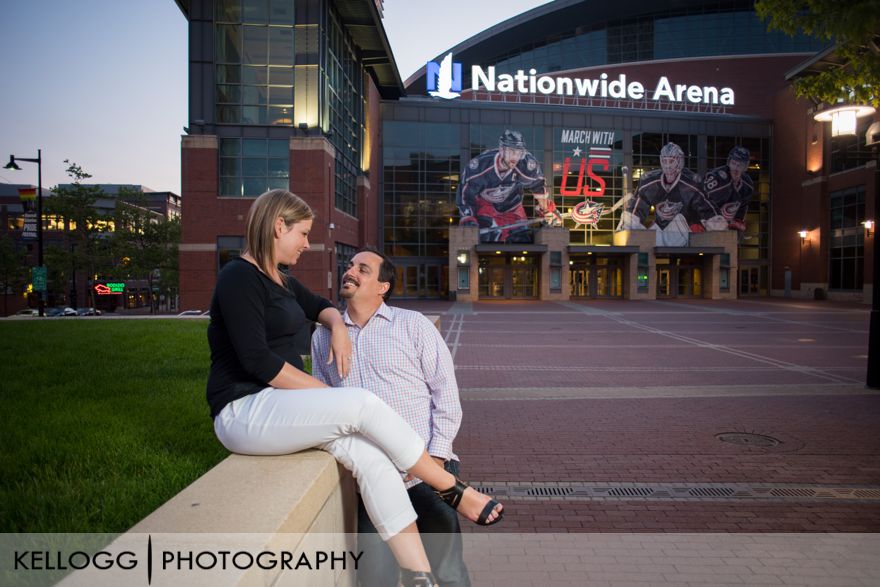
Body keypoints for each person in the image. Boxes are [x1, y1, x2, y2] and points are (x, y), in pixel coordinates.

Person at [206, 190, 503, 587]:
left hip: (290, 411)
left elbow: (320, 307)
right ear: (279, 227)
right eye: (304, 234)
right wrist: (334, 389)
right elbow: (259, 361)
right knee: (361, 405)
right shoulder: (237, 277)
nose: (307, 244)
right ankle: (451, 488)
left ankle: (419, 577)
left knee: (371, 459)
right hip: (245, 407)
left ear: (383, 286)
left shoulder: (281, 280)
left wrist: (337, 328)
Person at [312, 248, 469, 587]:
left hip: (427, 473)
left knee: (449, 574)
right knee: (373, 579)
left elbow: (446, 394)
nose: (350, 271)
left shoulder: (413, 326)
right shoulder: (322, 336)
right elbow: (320, 405)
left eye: (363, 269)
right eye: (350, 265)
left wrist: (436, 461)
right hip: (372, 481)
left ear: (383, 286)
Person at [457, 129, 558, 243]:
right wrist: (468, 217)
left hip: (512, 208)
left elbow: (537, 185)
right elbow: (465, 192)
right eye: (511, 151)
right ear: (501, 149)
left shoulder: (525, 164)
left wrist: (546, 210)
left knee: (521, 241)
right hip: (486, 208)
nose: (515, 157)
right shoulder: (481, 166)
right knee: (487, 240)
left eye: (519, 152)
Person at [617, 142, 703, 247]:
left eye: (671, 161)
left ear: (679, 161)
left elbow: (706, 213)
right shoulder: (650, 182)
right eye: (665, 161)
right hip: (663, 232)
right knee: (633, 227)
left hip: (686, 232)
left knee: (679, 220)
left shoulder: (691, 183)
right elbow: (635, 212)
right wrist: (628, 226)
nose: (667, 165)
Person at [691, 146, 754, 233]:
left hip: (725, 227)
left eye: (740, 165)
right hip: (705, 222)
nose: (736, 168)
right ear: (729, 162)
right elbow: (699, 197)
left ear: (746, 167)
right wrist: (696, 221)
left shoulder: (748, 186)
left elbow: (743, 206)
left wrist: (738, 221)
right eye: (734, 163)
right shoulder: (717, 178)